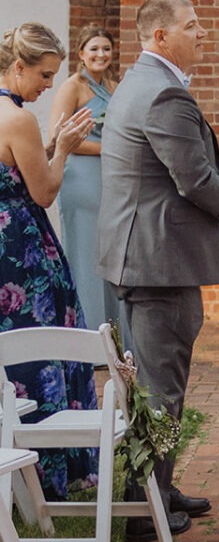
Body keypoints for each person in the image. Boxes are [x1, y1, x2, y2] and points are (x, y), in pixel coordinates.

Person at [96, 0, 219, 542]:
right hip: (155, 260)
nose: (203, 33)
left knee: (159, 379)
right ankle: (144, 509)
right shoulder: (162, 91)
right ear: (161, 37)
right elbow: (192, 177)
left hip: (144, 255)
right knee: (161, 385)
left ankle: (158, 490)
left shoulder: (139, 83)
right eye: (192, 26)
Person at [0, 23, 97, 498]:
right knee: (36, 349)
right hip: (21, 252)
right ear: (17, 67)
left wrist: (53, 141)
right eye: (42, 75)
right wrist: (64, 149)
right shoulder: (15, 119)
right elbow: (44, 192)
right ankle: (47, 479)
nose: (46, 86)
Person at [49, 25, 129, 343]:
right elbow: (58, 136)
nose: (100, 54)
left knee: (111, 250)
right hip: (81, 177)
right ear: (81, 53)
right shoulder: (72, 87)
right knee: (85, 250)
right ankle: (86, 334)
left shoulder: (114, 85)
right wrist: (106, 148)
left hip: (110, 177)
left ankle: (114, 335)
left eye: (106, 48)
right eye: (93, 48)